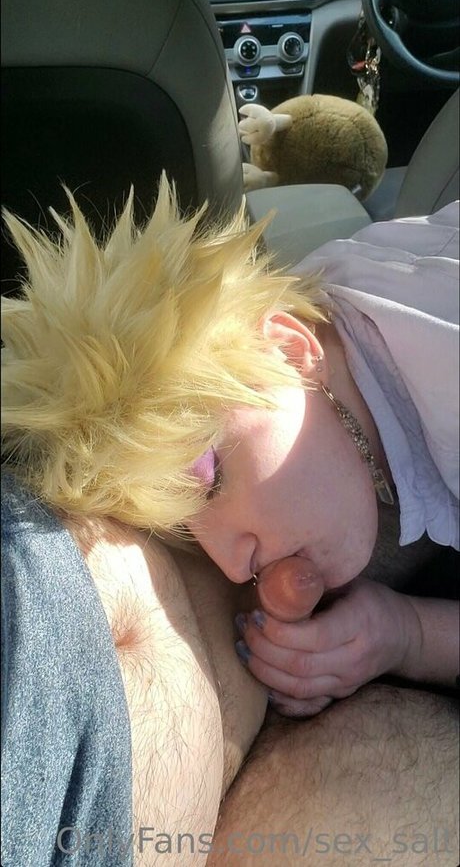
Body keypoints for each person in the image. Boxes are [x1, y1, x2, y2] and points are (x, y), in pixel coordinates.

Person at [1, 178, 458, 866]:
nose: (234, 565)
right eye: (191, 532)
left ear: (288, 349)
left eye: (210, 477)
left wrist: (412, 635)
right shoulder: (302, 378)